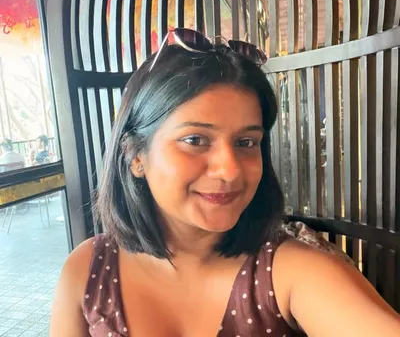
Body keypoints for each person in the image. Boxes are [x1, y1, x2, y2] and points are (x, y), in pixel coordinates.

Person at [50, 29, 400, 336]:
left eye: (246, 142)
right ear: (135, 155)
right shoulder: (88, 270)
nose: (230, 171)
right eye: (195, 140)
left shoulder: (288, 271)